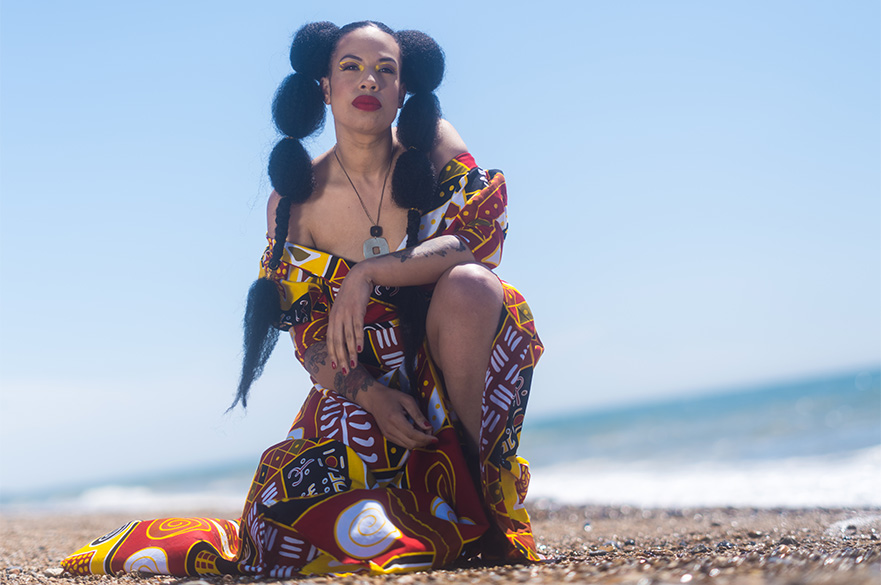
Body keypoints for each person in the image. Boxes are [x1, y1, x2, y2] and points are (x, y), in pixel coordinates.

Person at [61, 20, 542, 578]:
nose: (370, 80)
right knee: (283, 521)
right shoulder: (296, 201)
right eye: (352, 67)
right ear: (324, 86)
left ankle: (481, 501)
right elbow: (310, 341)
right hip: (364, 382)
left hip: (452, 346)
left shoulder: (433, 145)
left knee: (474, 285)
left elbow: (479, 240)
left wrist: (366, 275)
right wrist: (372, 398)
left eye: (387, 69)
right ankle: (422, 515)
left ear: (405, 89)